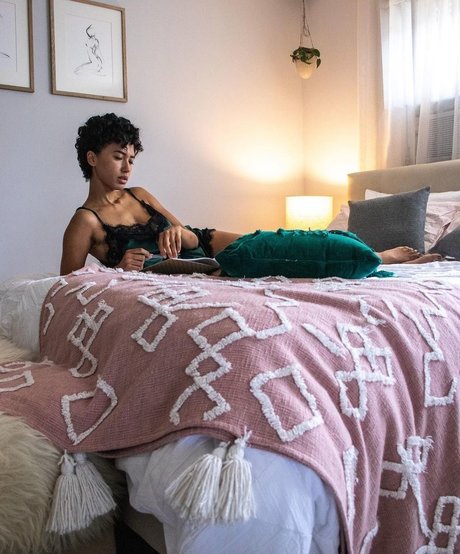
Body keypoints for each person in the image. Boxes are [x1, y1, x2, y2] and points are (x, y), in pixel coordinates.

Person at [60, 113, 441, 275]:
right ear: (92, 158)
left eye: (131, 158)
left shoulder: (140, 194)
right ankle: (377, 259)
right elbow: (68, 288)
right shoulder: (84, 222)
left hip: (205, 244)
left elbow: (188, 235)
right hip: (192, 270)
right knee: (273, 259)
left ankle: (375, 255)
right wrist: (119, 267)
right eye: (118, 157)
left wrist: (178, 232)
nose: (127, 167)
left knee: (281, 241)